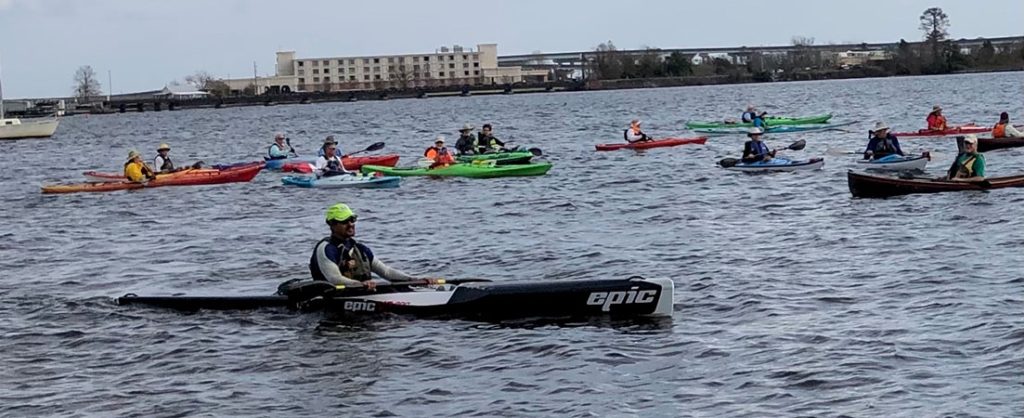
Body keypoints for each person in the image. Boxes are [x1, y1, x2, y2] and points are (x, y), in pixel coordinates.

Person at [310, 203, 441, 290]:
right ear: (332, 225)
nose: (350, 224)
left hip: (362, 291)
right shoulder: (326, 249)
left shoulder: (360, 249)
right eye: (344, 221)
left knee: (401, 287)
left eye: (352, 220)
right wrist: (361, 284)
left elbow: (386, 272)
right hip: (337, 295)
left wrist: (415, 280)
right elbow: (334, 279)